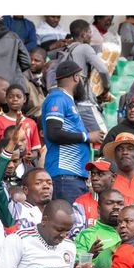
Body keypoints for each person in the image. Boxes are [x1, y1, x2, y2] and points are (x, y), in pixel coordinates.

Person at [41, 61, 104, 204]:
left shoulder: (67, 100)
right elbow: (53, 133)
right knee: (68, 217)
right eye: (81, 77)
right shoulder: (57, 98)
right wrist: (87, 136)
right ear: (76, 77)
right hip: (64, 175)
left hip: (73, 177)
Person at [74, 189, 125, 268]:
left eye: (120, 203)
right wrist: (90, 255)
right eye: (110, 203)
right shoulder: (86, 235)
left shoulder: (131, 232)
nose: (116, 207)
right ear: (98, 209)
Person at [64, 19, 112, 110]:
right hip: (83, 99)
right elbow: (103, 70)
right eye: (89, 32)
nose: (91, 35)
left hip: (69, 96)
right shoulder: (85, 48)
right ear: (83, 34)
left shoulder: (67, 49)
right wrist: (107, 87)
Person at [0, 84, 41, 160]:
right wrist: (5, 153)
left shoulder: (31, 123)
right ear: (6, 99)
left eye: (18, 96)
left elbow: (36, 148)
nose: (15, 99)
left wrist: (33, 155)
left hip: (25, 164)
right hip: (5, 163)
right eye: (10, 97)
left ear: (24, 99)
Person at [71, 160, 116, 238]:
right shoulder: (81, 202)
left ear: (113, 177)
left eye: (100, 174)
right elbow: (75, 236)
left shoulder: (122, 201)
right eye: (93, 174)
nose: (94, 178)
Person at [23, 48, 48, 119]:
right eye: (30, 59)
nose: (32, 62)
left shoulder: (47, 77)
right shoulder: (23, 78)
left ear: (44, 62)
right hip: (31, 118)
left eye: (37, 61)